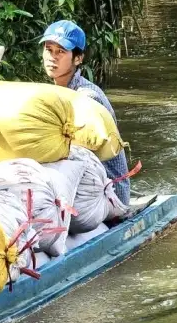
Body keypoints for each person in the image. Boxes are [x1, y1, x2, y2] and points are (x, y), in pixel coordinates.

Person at [39, 20, 131, 204]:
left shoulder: (87, 97)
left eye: (61, 52)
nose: (52, 57)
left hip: (109, 191)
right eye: (49, 50)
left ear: (78, 58)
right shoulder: (56, 93)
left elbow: (81, 156)